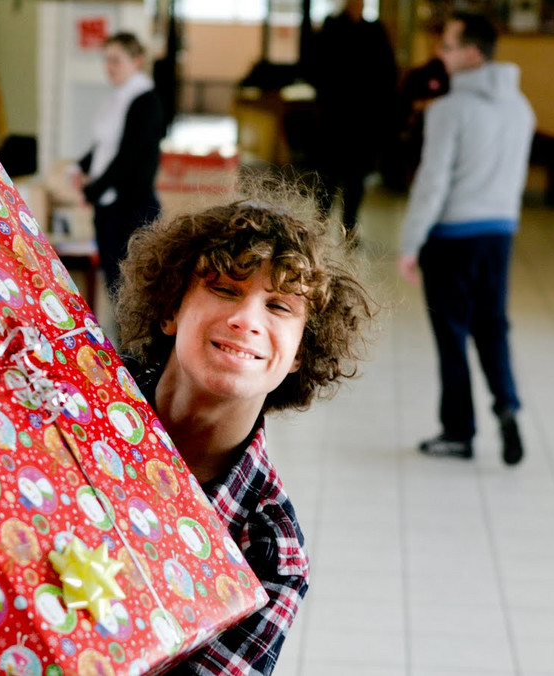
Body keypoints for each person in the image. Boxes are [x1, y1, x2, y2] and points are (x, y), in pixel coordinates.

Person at [116, 179, 375, 674]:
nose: (246, 319)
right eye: (223, 289)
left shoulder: (271, 554)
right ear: (171, 308)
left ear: (300, 351)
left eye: (279, 306)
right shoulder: (75, 395)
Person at [396, 13, 533, 466]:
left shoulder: (448, 111)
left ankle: (459, 432)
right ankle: (507, 407)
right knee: (493, 327)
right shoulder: (521, 108)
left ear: (473, 54)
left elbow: (432, 183)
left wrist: (411, 243)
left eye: (449, 46)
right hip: (500, 234)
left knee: (452, 334)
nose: (440, 53)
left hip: (452, 238)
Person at [76, 32, 165, 295]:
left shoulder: (145, 101)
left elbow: (128, 156)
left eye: (116, 60)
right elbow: (104, 146)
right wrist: (78, 167)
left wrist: (92, 191)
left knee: (129, 290)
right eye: (106, 60)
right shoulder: (117, 97)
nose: (109, 67)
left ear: (136, 61)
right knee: (114, 286)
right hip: (110, 205)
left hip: (131, 206)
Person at [307, 0, 397, 241]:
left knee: (356, 177)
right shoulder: (332, 27)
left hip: (364, 119)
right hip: (335, 116)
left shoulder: (374, 30)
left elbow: (387, 73)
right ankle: (320, 222)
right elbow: (318, 67)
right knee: (329, 174)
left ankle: (349, 224)